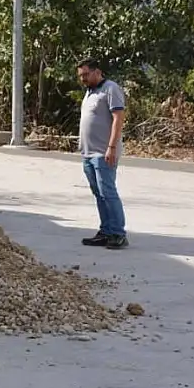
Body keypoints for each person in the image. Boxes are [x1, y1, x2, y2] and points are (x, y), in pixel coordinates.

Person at [76, 58, 128, 250]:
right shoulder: (90, 92)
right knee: (99, 194)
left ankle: (118, 233)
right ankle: (106, 231)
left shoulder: (110, 89)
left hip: (104, 153)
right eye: (81, 76)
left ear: (97, 71)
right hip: (88, 153)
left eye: (86, 74)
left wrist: (111, 147)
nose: (83, 79)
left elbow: (118, 119)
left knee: (108, 193)